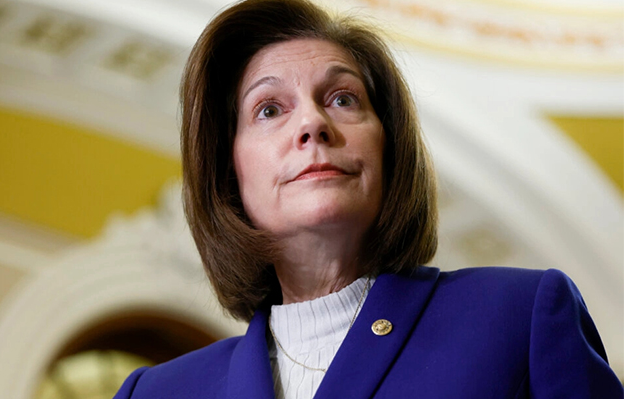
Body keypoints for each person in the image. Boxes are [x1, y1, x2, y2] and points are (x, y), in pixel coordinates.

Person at [114, 0, 623, 397]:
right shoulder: (155, 392)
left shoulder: (519, 314)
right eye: (269, 109)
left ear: (388, 144)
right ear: (231, 173)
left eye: (342, 99)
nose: (313, 122)